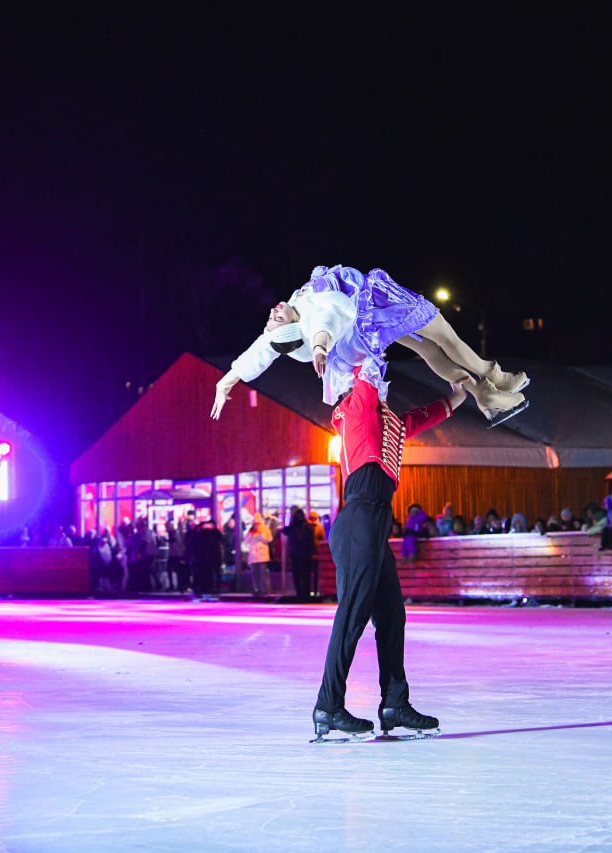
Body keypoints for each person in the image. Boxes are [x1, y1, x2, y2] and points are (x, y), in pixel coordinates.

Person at [312, 367, 463, 741]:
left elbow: (417, 419)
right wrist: (370, 347)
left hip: (376, 523)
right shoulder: (356, 408)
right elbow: (367, 366)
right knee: (353, 614)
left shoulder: (385, 420)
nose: (383, 380)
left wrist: (457, 395)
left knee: (392, 616)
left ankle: (395, 703)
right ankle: (328, 706)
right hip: (359, 519)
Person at [210, 264, 528, 427]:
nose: (273, 311)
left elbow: (261, 350)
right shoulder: (312, 316)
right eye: (277, 318)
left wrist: (226, 381)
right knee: (444, 334)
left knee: (427, 349)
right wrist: (320, 347)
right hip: (379, 303)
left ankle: (482, 394)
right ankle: (493, 376)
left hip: (369, 322)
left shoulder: (296, 311)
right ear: (294, 327)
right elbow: (325, 324)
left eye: (271, 318)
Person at [282, 507, 317, 601]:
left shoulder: (293, 527)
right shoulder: (308, 526)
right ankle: (306, 594)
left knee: (297, 575)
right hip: (305, 554)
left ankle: (300, 594)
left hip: (296, 554)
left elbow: (285, 530)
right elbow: (311, 540)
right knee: (305, 575)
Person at [186, 519, 225, 598]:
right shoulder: (202, 534)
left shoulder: (207, 534)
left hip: (208, 558)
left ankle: (209, 588)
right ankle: (208, 588)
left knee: (211, 573)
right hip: (206, 558)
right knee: (208, 573)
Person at [243, 516, 273, 596]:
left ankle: (265, 590)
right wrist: (251, 533)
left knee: (263, 574)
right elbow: (246, 541)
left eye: (258, 523)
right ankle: (257, 589)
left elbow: (269, 539)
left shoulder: (265, 529)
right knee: (255, 574)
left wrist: (260, 534)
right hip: (253, 556)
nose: (256, 525)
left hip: (262, 555)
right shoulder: (251, 531)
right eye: (255, 523)